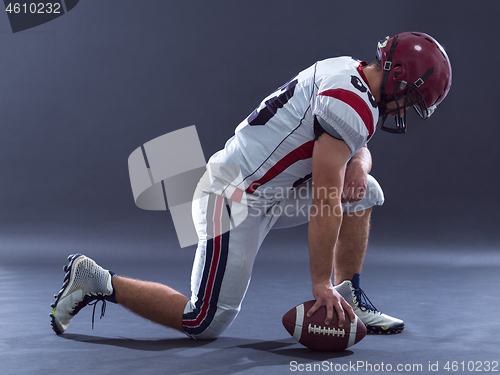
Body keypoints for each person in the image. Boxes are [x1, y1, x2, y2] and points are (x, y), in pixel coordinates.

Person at [50, 31, 452, 338]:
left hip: (272, 190)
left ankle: (349, 296)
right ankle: (95, 281)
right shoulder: (351, 104)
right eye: (413, 101)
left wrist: (360, 166)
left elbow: (352, 151)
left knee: (365, 191)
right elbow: (327, 200)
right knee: (203, 322)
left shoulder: (352, 72)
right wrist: (318, 283)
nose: (407, 111)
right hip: (233, 197)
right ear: (400, 76)